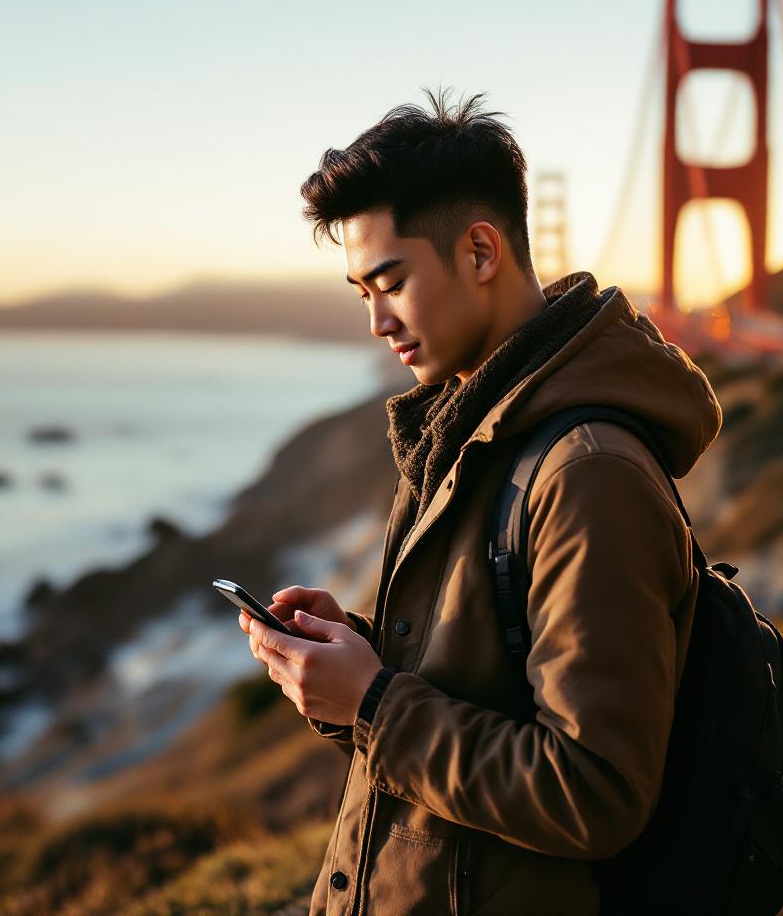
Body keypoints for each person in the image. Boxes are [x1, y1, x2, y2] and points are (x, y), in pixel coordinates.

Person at [238, 88, 722, 915]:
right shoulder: (462, 435)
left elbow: (592, 791)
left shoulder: (587, 474)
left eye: (391, 282)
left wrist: (374, 701)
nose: (377, 323)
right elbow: (479, 687)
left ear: (482, 252)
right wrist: (352, 659)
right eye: (362, 293)